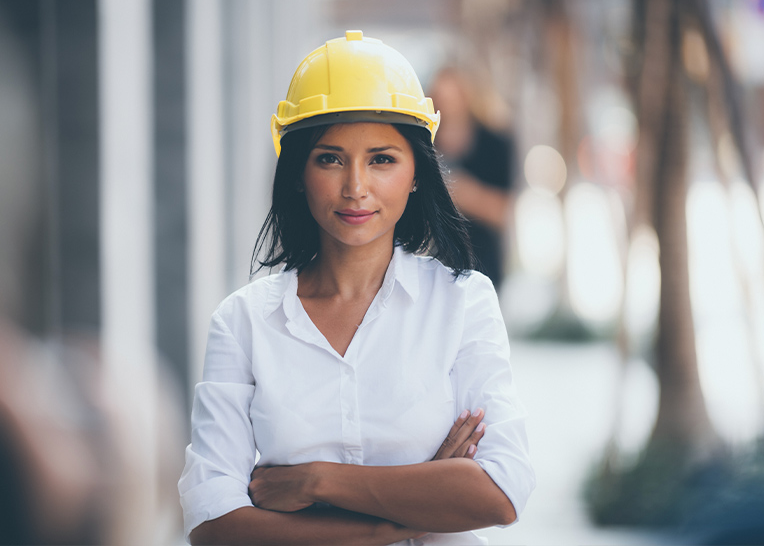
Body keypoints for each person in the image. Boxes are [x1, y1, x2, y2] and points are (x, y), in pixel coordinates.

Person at [178, 31, 534, 545]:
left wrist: (317, 482)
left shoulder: (462, 302)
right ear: (299, 172)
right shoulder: (243, 322)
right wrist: (407, 514)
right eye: (330, 158)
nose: (355, 187)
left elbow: (501, 492)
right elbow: (213, 525)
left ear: (416, 173)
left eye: (382, 159)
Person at [429, 67, 515, 290]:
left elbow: (504, 212)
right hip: (434, 266)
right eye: (440, 100)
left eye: (451, 99)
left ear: (466, 99)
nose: (445, 107)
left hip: (483, 263)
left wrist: (464, 193)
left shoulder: (495, 143)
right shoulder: (425, 143)